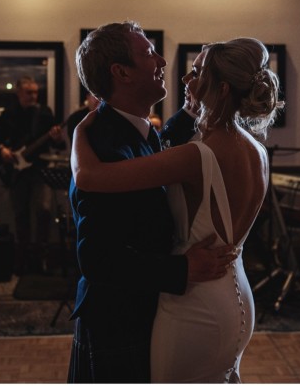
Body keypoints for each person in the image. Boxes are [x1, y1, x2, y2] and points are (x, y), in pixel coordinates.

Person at [71, 34, 282, 382]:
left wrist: (78, 133)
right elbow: (96, 257)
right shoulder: (254, 148)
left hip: (196, 299)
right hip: (236, 293)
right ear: (120, 72)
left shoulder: (194, 154)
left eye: (196, 73)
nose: (178, 73)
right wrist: (195, 107)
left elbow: (90, 176)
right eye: (150, 52)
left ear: (223, 88)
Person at [0, 76, 65, 275]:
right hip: (16, 171)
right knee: (20, 215)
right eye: (29, 92)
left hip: (40, 170)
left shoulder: (45, 113)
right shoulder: (8, 113)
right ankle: (21, 259)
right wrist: (3, 150)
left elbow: (59, 145)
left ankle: (39, 258)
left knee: (44, 210)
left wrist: (58, 138)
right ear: (18, 93)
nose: (33, 96)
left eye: (35, 92)